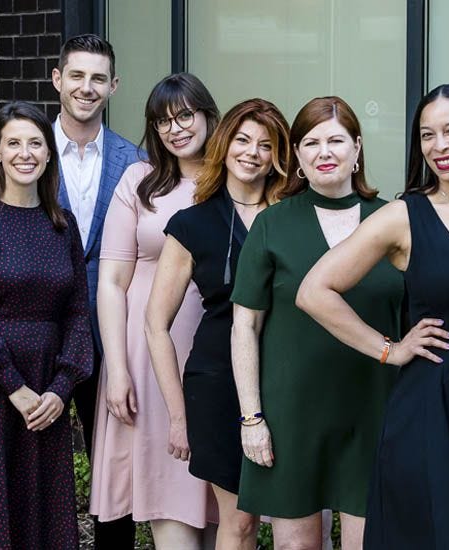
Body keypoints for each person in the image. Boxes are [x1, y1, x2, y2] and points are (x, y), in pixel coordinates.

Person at [297, 84, 449, 549]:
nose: (439, 146)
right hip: (434, 405)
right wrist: (390, 349)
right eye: (427, 135)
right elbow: (314, 291)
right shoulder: (405, 215)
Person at [229, 97, 402, 549]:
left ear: (357, 147)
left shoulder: (393, 220)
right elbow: (244, 326)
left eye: (335, 140)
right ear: (298, 156)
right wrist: (252, 418)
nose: (324, 152)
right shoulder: (272, 225)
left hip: (375, 409)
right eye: (311, 142)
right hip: (291, 414)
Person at [0, 102, 93, 549]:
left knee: (41, 512)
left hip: (47, 394)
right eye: (14, 143)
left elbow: (78, 313)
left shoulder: (63, 225)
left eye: (35, 143)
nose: (25, 153)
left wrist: (60, 389)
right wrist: (15, 387)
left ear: (48, 155)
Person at [145, 98, 290, 550]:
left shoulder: (294, 217)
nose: (252, 152)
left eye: (266, 145)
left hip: (290, 376)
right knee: (241, 520)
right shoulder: (192, 222)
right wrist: (176, 416)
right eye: (243, 140)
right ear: (224, 145)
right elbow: (155, 324)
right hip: (217, 381)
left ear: (279, 156)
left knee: (297, 520)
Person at [89, 72, 220, 548]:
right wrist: (117, 368)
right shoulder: (140, 181)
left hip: (220, 353)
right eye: (162, 120)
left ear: (207, 114)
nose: (176, 128)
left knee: (220, 510)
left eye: (185, 115)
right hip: (146, 357)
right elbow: (111, 281)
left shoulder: (233, 178)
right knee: (169, 497)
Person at [50, 34, 144, 547]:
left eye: (99, 79)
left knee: (116, 471)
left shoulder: (137, 160)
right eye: (77, 76)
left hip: (111, 340)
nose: (87, 88)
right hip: (40, 334)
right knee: (34, 464)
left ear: (114, 86)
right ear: (57, 79)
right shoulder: (23, 150)